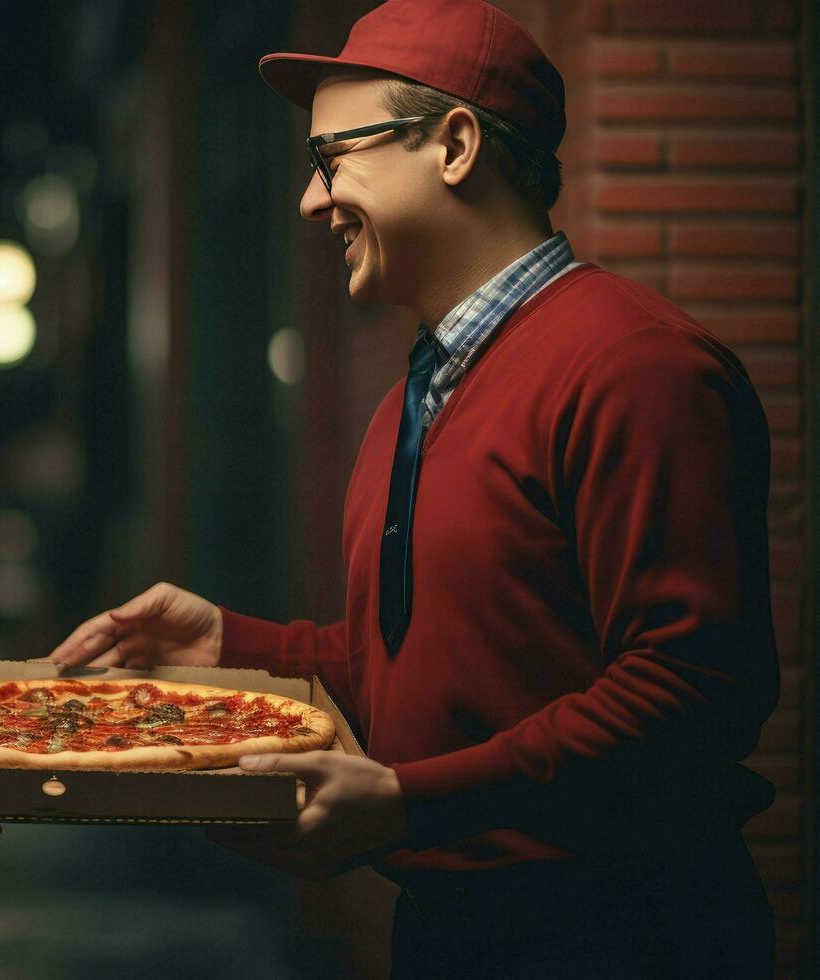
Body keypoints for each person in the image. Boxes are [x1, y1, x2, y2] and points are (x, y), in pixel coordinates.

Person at [50, 1, 777, 975]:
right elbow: (434, 665)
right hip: (453, 922)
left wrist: (406, 800)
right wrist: (237, 644)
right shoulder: (415, 393)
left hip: (621, 930)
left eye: (333, 158)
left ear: (456, 145)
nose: (312, 202)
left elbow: (692, 688)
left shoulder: (636, 366)